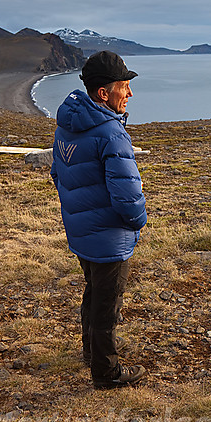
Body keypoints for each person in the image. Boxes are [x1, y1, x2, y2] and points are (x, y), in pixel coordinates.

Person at [50, 51, 148, 389]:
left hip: (82, 232)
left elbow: (57, 174)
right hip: (109, 237)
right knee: (107, 305)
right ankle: (106, 372)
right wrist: (138, 221)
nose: (129, 94)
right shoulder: (110, 133)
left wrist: (79, 212)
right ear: (103, 94)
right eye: (124, 87)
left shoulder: (67, 124)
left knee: (94, 293)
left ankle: (91, 350)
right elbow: (127, 195)